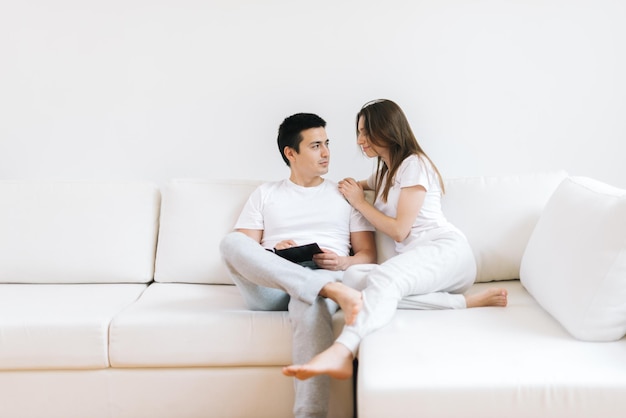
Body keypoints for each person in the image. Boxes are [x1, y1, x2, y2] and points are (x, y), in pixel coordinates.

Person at [282, 99, 508, 381]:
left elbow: (400, 230)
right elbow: (359, 184)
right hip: (419, 268)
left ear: (386, 130)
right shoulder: (386, 173)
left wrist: (358, 202)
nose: (360, 140)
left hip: (445, 252)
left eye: (365, 132)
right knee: (352, 279)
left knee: (385, 280)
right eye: (359, 132)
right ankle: (462, 303)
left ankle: (342, 349)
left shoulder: (415, 164)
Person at [219, 113, 376, 418]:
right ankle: (327, 288)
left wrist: (342, 261)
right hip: (274, 286)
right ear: (290, 153)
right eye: (316, 146)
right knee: (230, 242)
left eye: (327, 144)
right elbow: (243, 251)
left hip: (323, 278)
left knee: (312, 298)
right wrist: (274, 252)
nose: (327, 153)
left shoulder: (344, 195)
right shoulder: (266, 194)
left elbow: (368, 256)